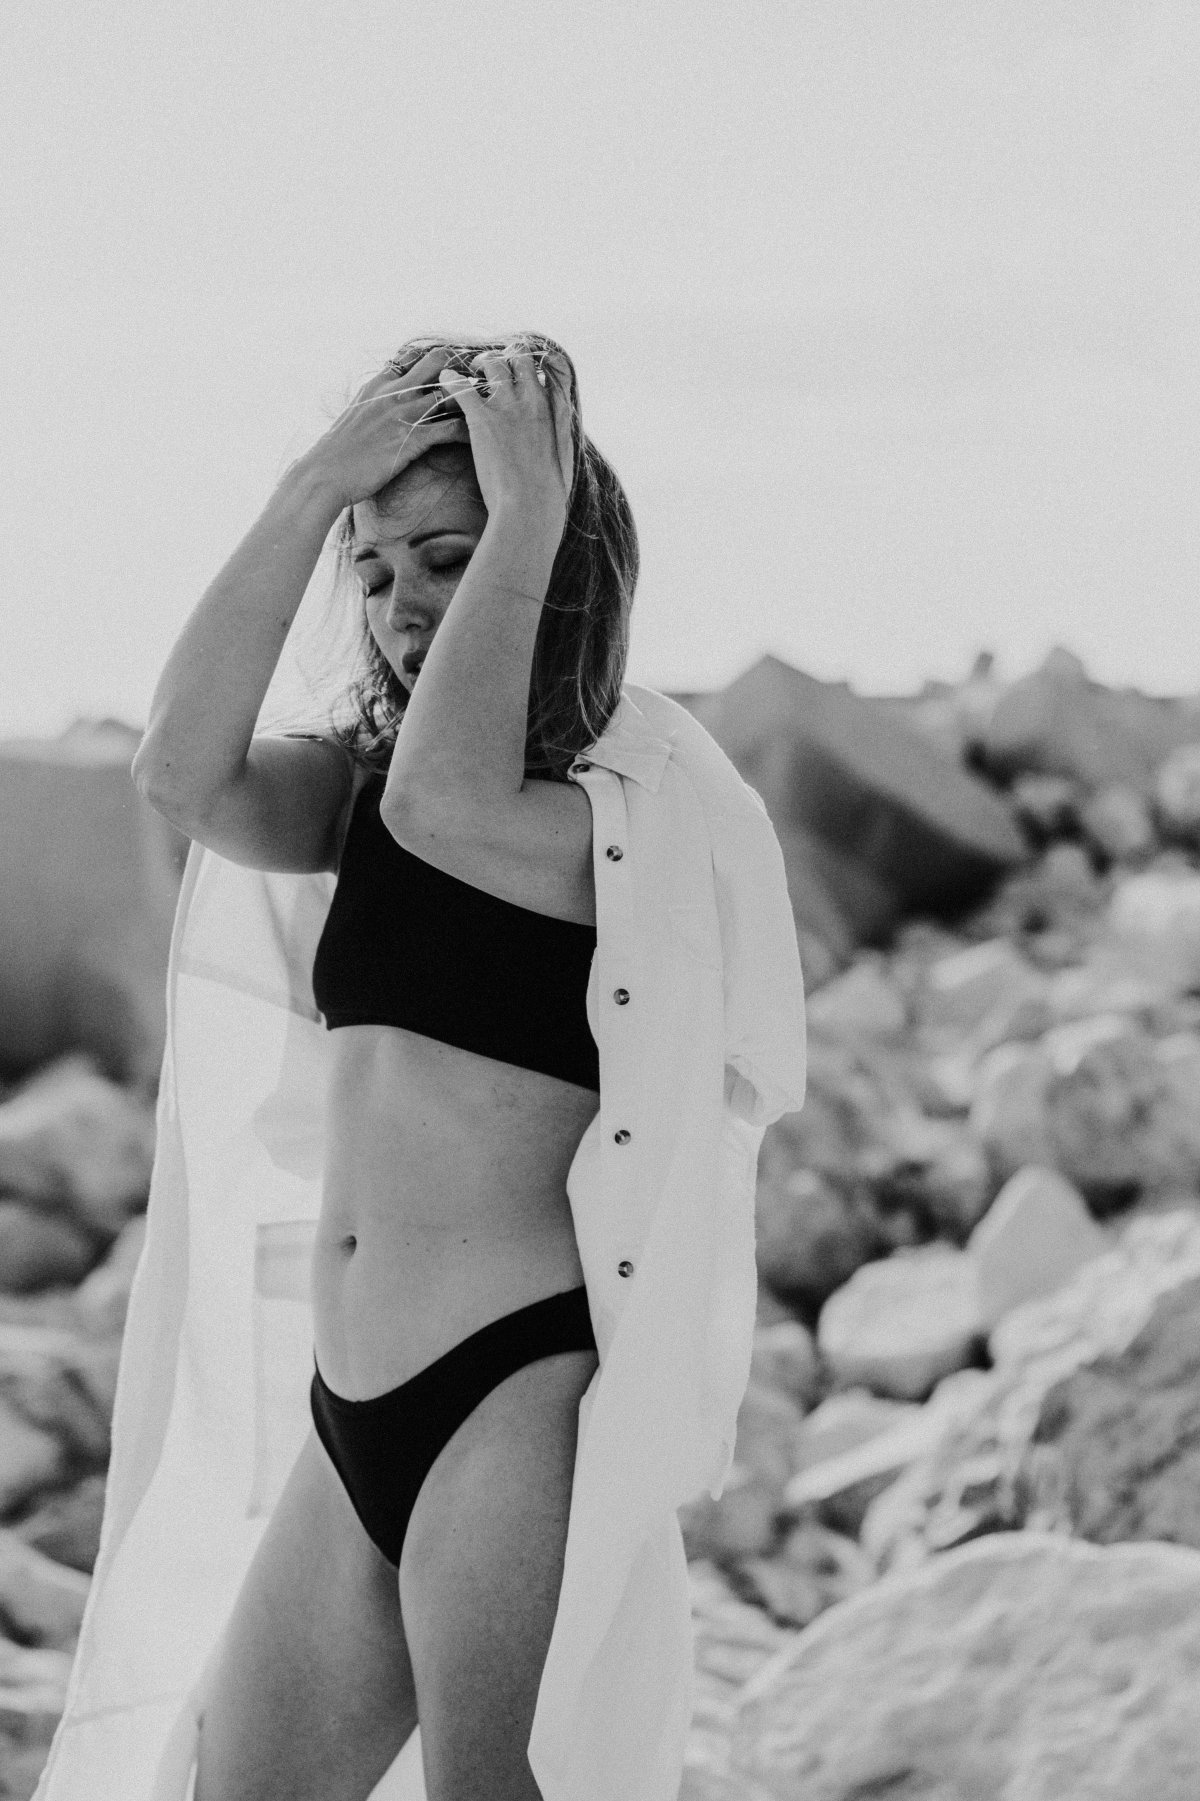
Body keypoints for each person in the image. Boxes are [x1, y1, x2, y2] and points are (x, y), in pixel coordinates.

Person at [36, 332, 806, 1801]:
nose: (401, 609)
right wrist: (311, 488)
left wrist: (534, 509)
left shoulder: (611, 825)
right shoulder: (362, 793)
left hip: (510, 1395)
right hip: (355, 1412)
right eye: (377, 572)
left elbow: (450, 799)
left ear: (550, 564)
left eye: (449, 559)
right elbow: (181, 774)